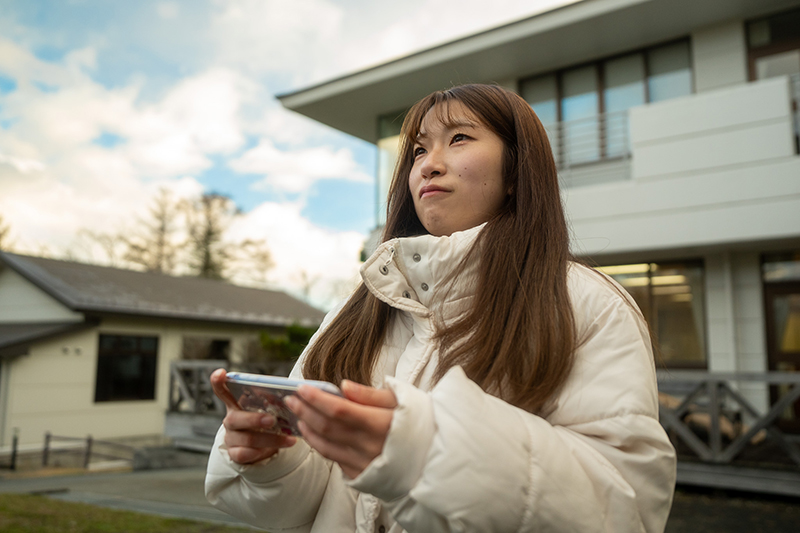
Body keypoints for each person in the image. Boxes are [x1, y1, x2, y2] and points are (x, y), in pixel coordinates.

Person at [205, 83, 676, 533]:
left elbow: (625, 509)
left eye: (460, 139)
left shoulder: (588, 304)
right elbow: (305, 505)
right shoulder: (359, 309)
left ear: (516, 170)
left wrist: (429, 452)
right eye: (418, 151)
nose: (429, 164)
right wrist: (272, 457)